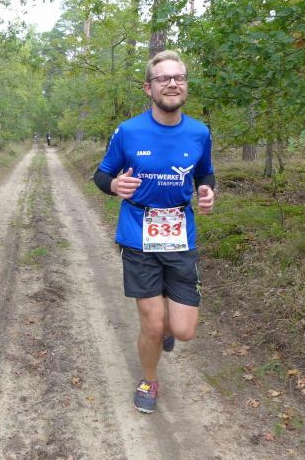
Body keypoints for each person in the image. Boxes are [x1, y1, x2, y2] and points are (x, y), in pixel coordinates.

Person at [93, 50, 215, 413]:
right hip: (138, 233)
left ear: (186, 85)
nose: (172, 83)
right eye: (163, 78)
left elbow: (204, 173)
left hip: (180, 234)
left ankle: (166, 330)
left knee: (183, 330)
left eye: (179, 78)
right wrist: (114, 186)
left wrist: (207, 190)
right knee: (152, 323)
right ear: (149, 88)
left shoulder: (199, 132)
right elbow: (102, 174)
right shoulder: (128, 131)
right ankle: (149, 379)